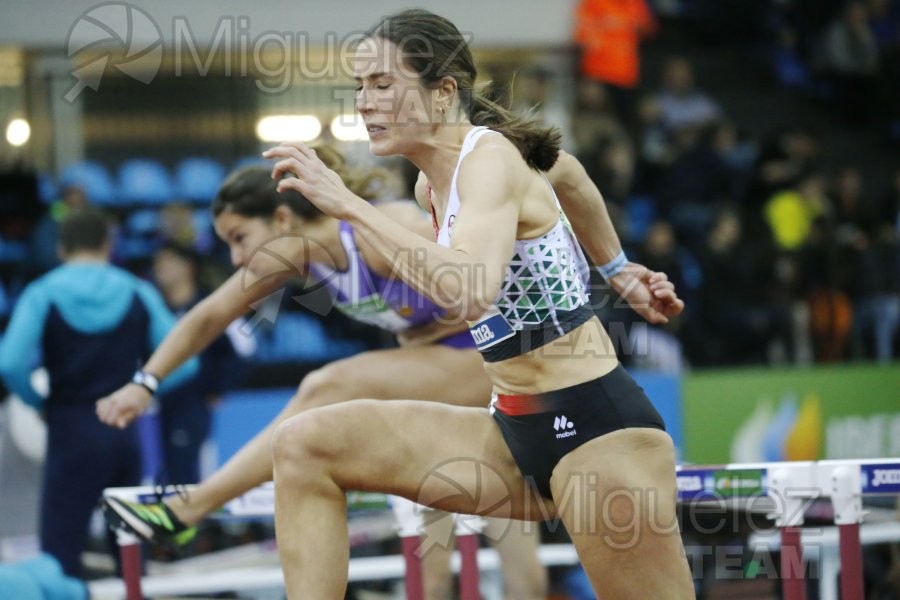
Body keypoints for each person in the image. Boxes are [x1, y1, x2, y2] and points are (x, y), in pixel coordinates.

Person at [261, 9, 694, 600]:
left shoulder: (487, 157)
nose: (364, 102)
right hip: (511, 432)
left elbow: (469, 289)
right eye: (359, 86)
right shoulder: (428, 184)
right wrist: (617, 269)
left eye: (383, 85)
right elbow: (566, 171)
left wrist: (347, 205)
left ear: (443, 93)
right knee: (303, 443)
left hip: (597, 430)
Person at [97, 147, 548, 599]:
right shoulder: (298, 258)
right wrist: (145, 383)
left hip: (499, 360)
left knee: (329, 386)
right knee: (461, 546)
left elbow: (489, 276)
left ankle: (193, 506)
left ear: (281, 219)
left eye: (239, 237)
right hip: (446, 378)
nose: (236, 258)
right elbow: (208, 317)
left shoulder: (377, 234)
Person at [0, 207, 195, 578]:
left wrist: (38, 402)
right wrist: (142, 393)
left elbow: (9, 363)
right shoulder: (137, 290)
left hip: (69, 431)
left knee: (59, 560)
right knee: (130, 557)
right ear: (108, 244)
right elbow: (185, 363)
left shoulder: (44, 292)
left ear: (61, 249)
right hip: (123, 432)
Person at [152, 243, 244, 484]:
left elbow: (243, 350)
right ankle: (176, 520)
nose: (162, 269)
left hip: (192, 401)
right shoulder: (157, 309)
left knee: (185, 469)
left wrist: (217, 388)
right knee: (169, 469)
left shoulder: (209, 307)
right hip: (164, 401)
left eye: (169, 263)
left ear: (188, 268)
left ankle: (187, 522)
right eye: (159, 264)